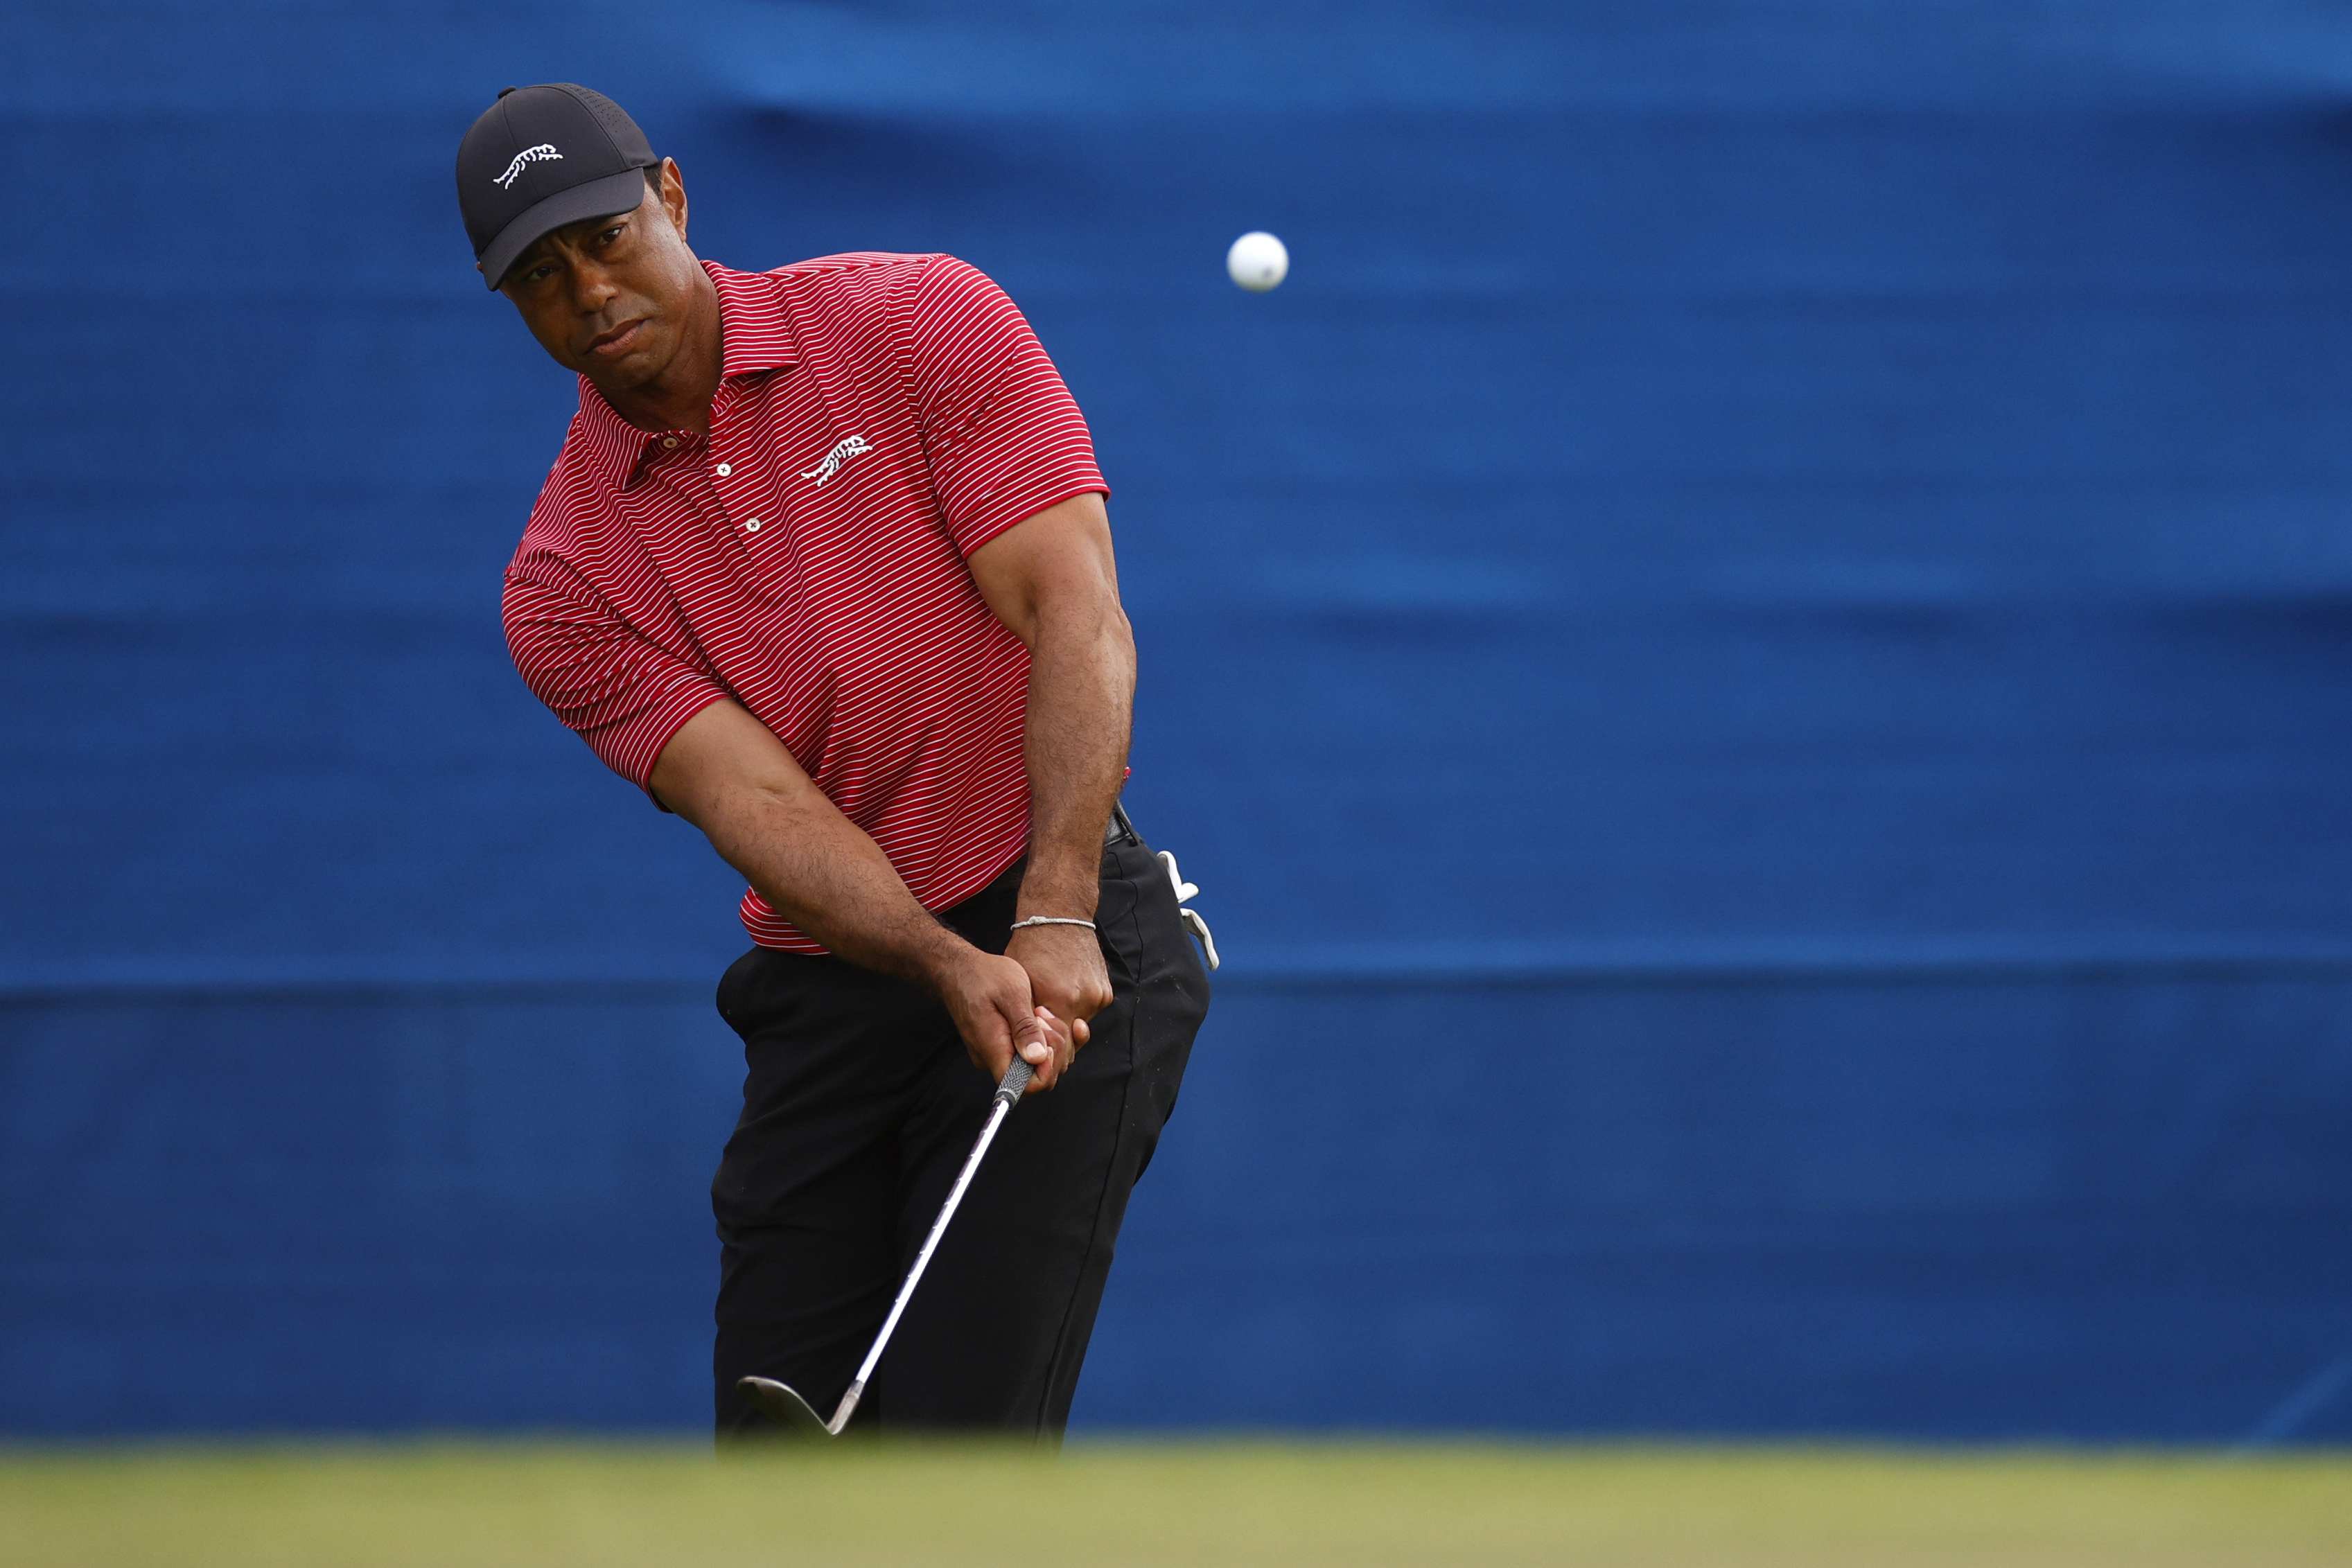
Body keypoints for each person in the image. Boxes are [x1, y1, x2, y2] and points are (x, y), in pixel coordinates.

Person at [453, 83, 1210, 1438]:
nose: (591, 292)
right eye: (542, 277)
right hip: (839, 989)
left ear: (673, 198)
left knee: (944, 1452)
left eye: (609, 238)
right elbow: (758, 805)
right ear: (510, 304)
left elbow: (1072, 610)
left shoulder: (916, 319)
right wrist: (939, 963)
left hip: (1059, 927)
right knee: (773, 1453)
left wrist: (1050, 908)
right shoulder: (563, 585)